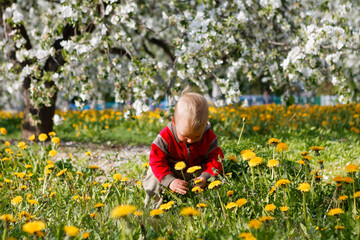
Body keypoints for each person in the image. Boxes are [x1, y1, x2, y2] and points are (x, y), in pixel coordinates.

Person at [143, 91, 224, 208]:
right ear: (174, 122)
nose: (190, 141)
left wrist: (205, 177)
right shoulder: (165, 137)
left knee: (219, 173)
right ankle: (153, 206)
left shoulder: (208, 136)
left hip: (196, 173)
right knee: (153, 175)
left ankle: (208, 203)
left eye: (197, 137)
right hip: (170, 171)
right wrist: (170, 181)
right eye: (185, 136)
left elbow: (216, 159)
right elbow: (156, 161)